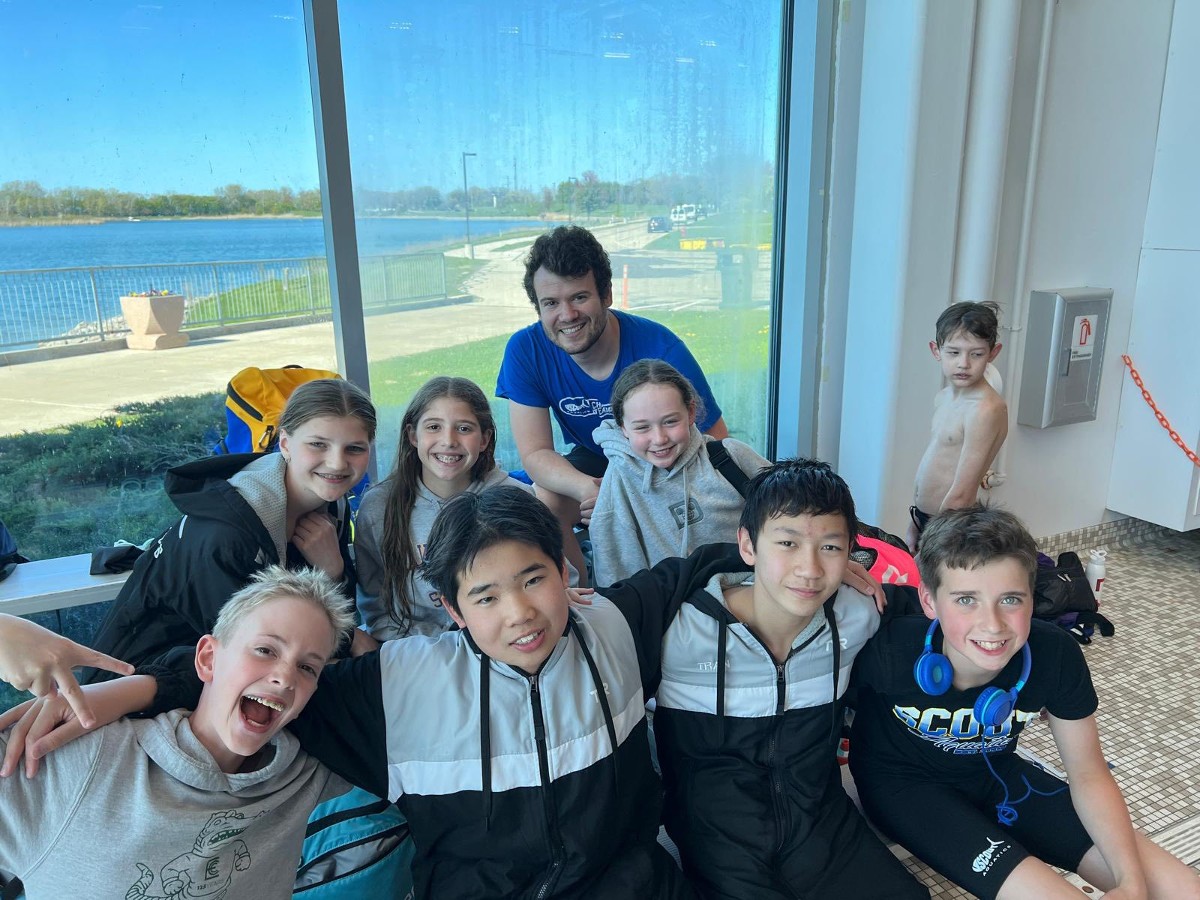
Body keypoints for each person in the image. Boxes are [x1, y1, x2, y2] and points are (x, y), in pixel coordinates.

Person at [849, 506, 1200, 900]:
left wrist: (1130, 881)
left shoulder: (1054, 654)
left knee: (1184, 890)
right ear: (929, 601)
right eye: (966, 600)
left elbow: (1088, 772)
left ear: (1033, 598)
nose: (992, 624)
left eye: (1010, 599)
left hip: (997, 774)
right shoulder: (889, 651)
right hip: (906, 788)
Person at [646, 458, 928, 899]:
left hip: (824, 824)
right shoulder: (677, 629)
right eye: (787, 543)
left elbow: (951, 608)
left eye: (830, 547)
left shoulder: (857, 612)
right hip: (720, 840)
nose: (809, 569)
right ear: (748, 545)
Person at [0, 567, 356, 899]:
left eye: (307, 667)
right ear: (208, 659)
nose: (285, 677)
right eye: (265, 650)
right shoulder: (83, 759)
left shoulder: (307, 777)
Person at [82, 377, 376, 704]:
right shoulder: (227, 535)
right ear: (285, 444)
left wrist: (333, 572)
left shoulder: (328, 502)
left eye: (354, 448)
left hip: (223, 672)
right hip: (134, 688)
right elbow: (252, 651)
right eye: (318, 444)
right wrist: (349, 636)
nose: (337, 463)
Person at [496, 225, 728, 581]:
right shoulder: (525, 350)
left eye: (579, 297)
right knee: (546, 501)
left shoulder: (662, 350)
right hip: (598, 459)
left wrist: (640, 492)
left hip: (664, 459)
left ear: (606, 294)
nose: (567, 315)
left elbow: (717, 443)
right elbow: (536, 453)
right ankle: (583, 597)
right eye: (551, 303)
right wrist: (589, 489)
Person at [355, 375, 543, 640]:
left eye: (464, 428)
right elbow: (377, 610)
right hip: (418, 647)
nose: (449, 440)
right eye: (434, 427)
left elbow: (555, 581)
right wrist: (443, 645)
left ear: (484, 439)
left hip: (507, 640)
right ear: (412, 435)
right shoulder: (379, 507)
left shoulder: (516, 498)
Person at [589, 358, 770, 586]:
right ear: (623, 427)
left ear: (691, 412)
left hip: (751, 589)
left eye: (670, 422)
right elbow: (615, 572)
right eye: (642, 427)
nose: (659, 439)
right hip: (673, 604)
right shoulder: (619, 479)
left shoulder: (731, 457)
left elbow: (794, 507)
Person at [908, 301, 1008, 552]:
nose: (964, 363)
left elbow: (963, 490)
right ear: (936, 351)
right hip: (926, 520)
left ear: (993, 353)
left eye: (976, 354)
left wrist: (931, 543)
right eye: (954, 352)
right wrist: (914, 524)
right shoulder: (943, 398)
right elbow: (937, 461)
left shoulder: (985, 409)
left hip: (949, 527)